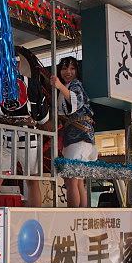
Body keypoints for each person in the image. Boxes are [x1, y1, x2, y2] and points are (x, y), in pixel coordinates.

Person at [0, 51, 50, 207]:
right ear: (19, 64)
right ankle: (36, 219)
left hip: (1, 136)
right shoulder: (32, 84)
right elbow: (42, 118)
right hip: (27, 137)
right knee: (32, 181)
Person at [50, 56, 97, 207]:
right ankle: (81, 214)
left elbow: (75, 101)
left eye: (72, 68)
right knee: (77, 180)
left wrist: (59, 85)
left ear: (77, 71)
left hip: (79, 136)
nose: (67, 72)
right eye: (64, 68)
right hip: (76, 136)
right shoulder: (69, 86)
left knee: (71, 180)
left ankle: (73, 215)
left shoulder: (75, 85)